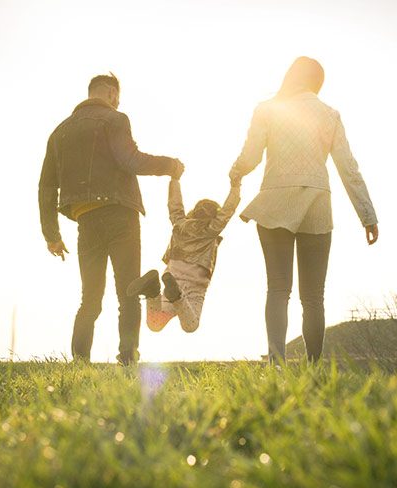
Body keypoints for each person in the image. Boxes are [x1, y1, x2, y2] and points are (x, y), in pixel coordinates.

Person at [229, 57, 379, 363]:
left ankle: (276, 362)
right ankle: (314, 366)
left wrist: (235, 173)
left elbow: (251, 155)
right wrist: (368, 215)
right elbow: (348, 168)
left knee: (277, 288)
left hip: (275, 202)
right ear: (318, 83)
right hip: (317, 204)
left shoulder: (268, 109)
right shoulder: (329, 114)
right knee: (313, 297)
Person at [38, 73, 184, 365]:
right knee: (128, 291)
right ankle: (128, 359)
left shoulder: (59, 132)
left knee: (89, 299)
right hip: (120, 214)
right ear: (109, 93)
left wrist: (51, 235)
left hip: (86, 220)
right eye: (116, 97)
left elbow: (46, 187)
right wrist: (171, 165)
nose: (117, 103)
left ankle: (80, 362)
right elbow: (131, 160)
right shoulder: (116, 120)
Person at [126, 176, 240, 333]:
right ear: (214, 216)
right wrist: (235, 186)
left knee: (155, 324)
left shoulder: (179, 224)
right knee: (190, 326)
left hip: (172, 278)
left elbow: (175, 206)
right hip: (194, 286)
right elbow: (228, 210)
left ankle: (153, 291)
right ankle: (176, 296)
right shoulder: (211, 229)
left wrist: (175, 180)